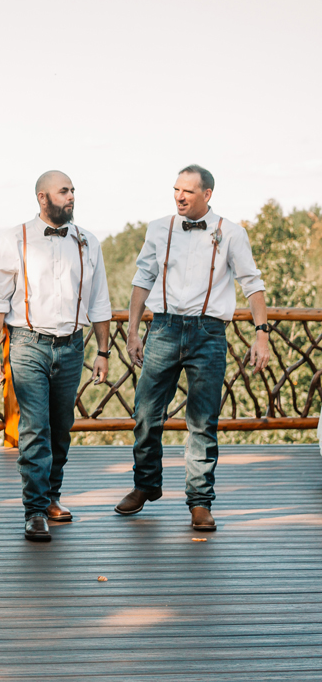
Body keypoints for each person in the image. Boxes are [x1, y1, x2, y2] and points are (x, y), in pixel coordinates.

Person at [115, 165, 270, 531]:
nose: (179, 196)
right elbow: (143, 279)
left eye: (187, 191)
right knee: (145, 414)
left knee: (202, 422)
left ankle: (200, 502)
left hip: (209, 333)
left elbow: (252, 283)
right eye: (175, 189)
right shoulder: (159, 228)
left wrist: (261, 333)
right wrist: (133, 330)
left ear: (207, 194)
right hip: (164, 328)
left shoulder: (231, 233)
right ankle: (145, 485)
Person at [0, 171, 112, 542]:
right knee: (35, 428)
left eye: (72, 190)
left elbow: (99, 300)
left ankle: (52, 496)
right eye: (63, 191)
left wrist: (103, 351)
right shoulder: (15, 238)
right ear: (43, 198)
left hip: (72, 344)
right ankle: (35, 510)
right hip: (27, 343)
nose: (71, 196)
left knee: (61, 428)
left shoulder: (88, 242)